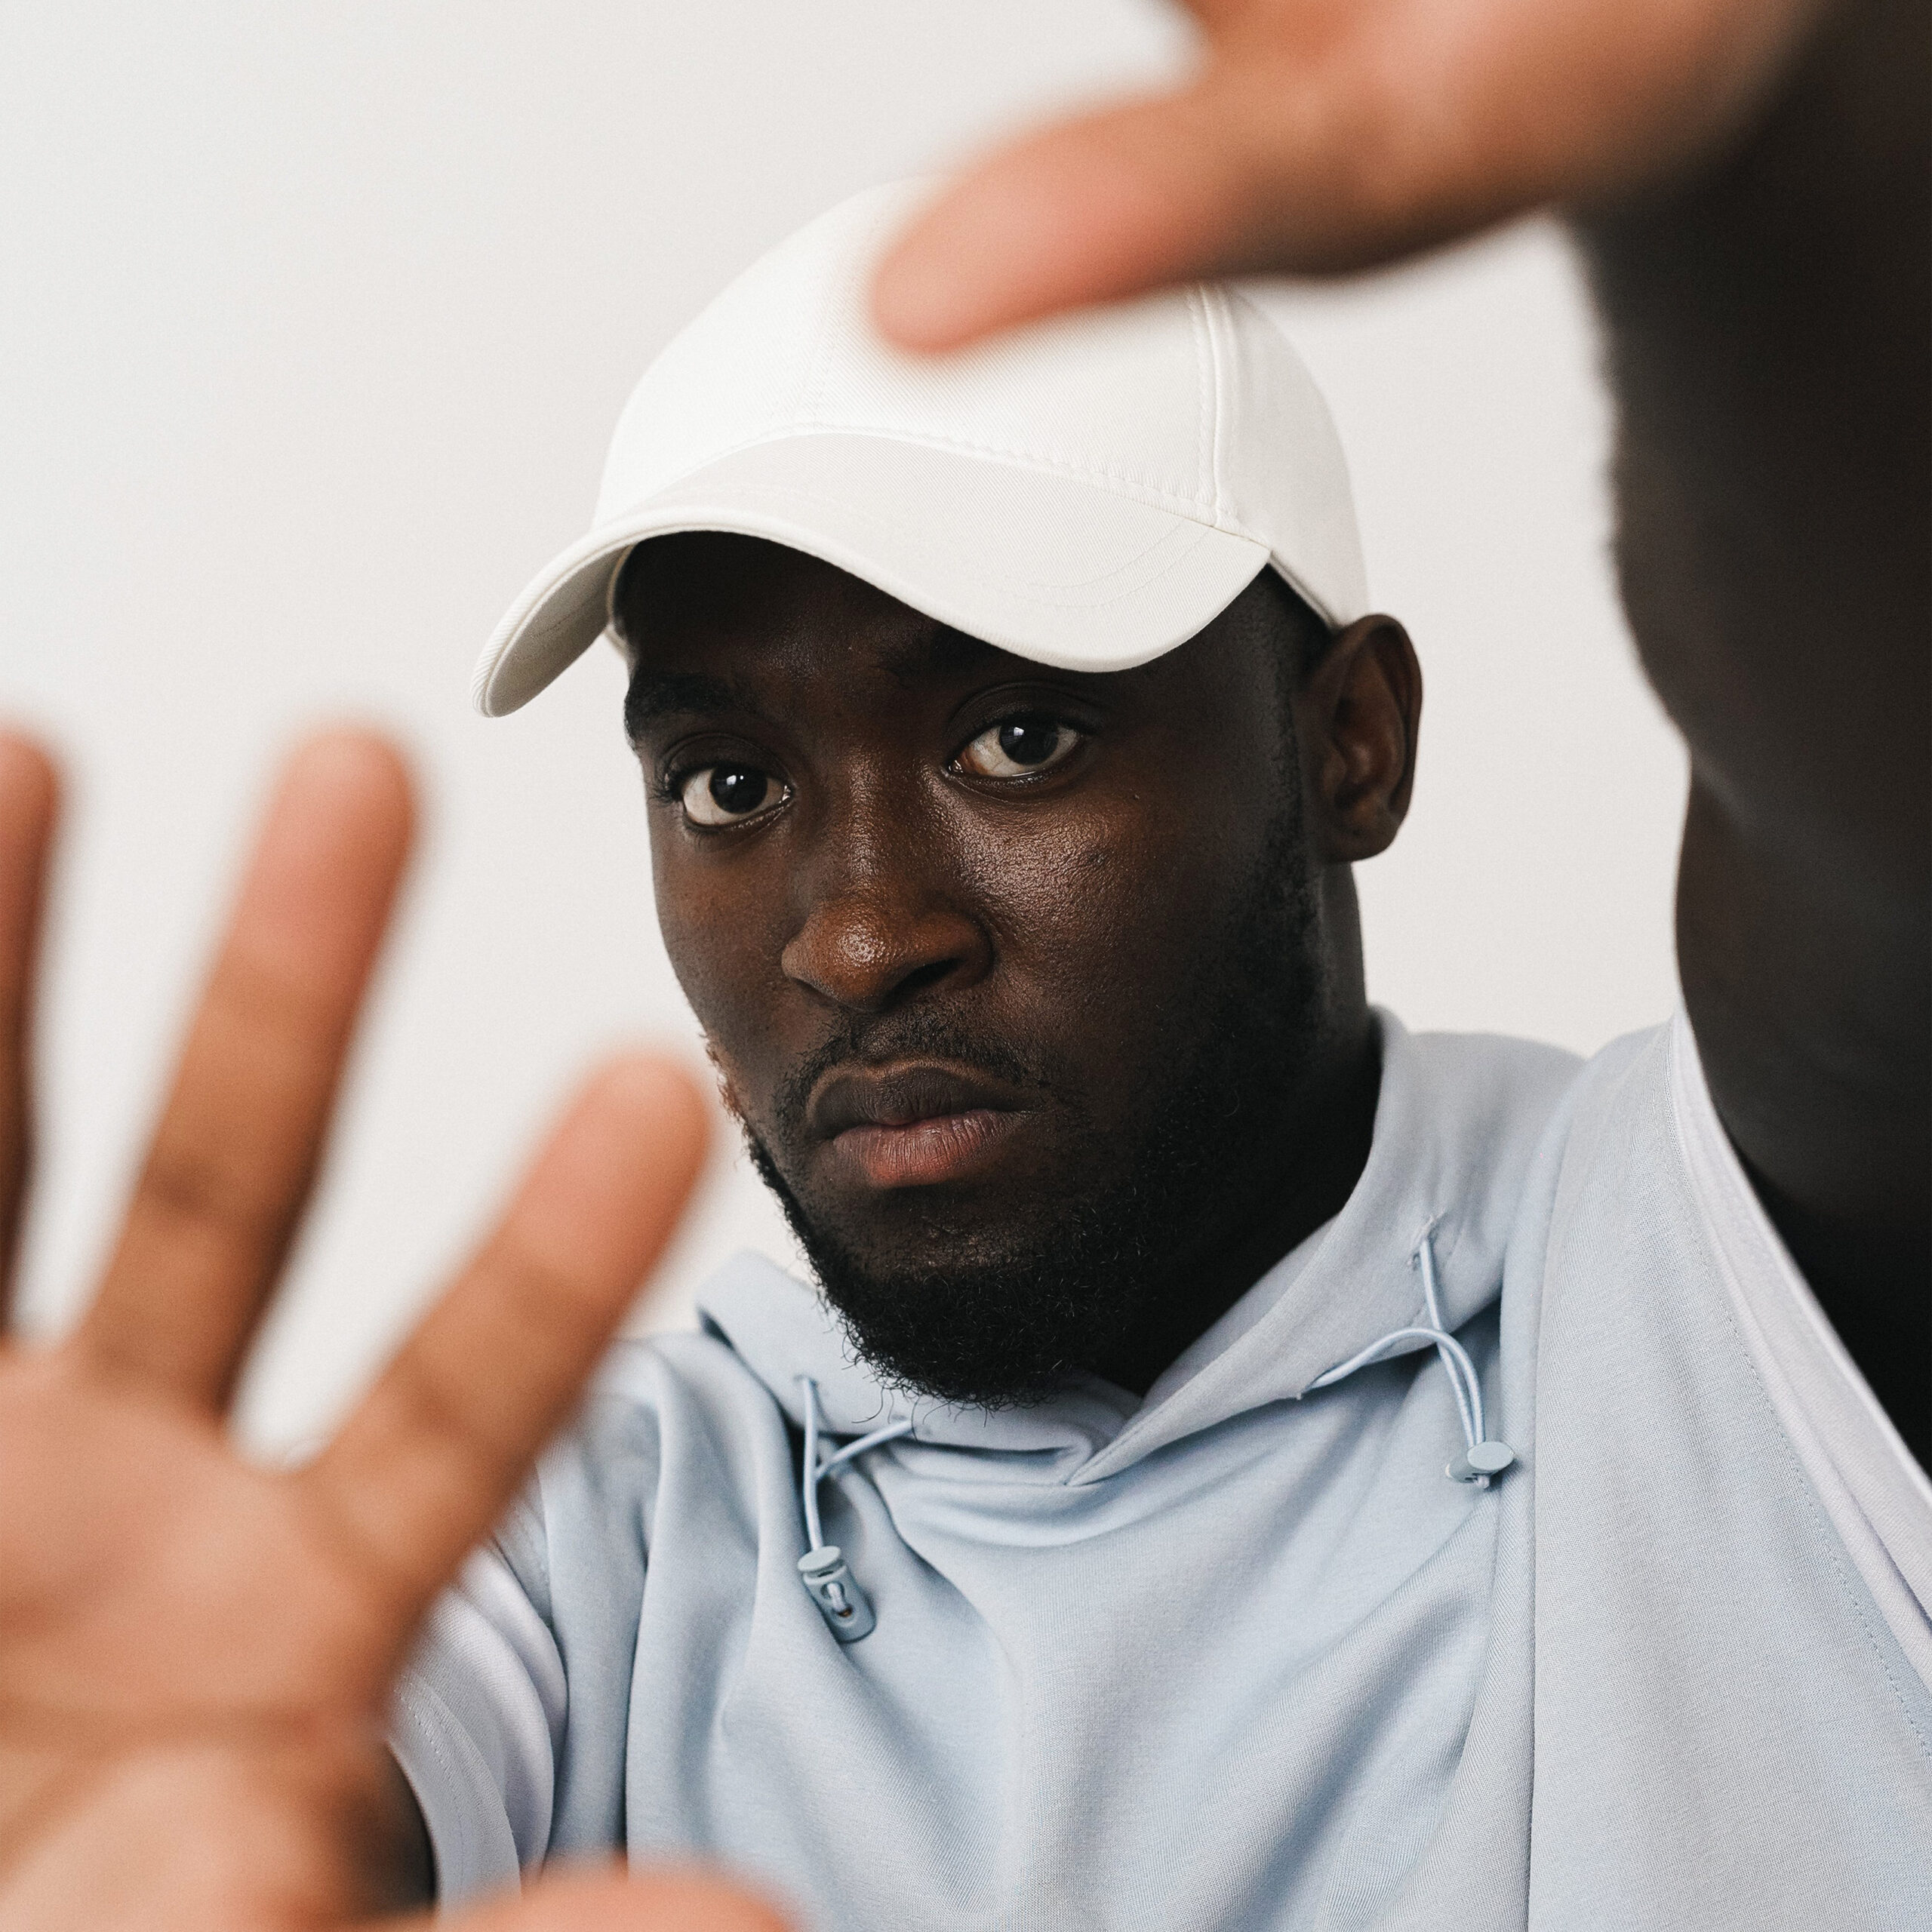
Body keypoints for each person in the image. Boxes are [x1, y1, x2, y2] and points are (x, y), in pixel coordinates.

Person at [0, 2, 1921, 1929]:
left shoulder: (1719, 1270)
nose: (855, 936)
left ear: (1350, 739)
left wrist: (1761, 168)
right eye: (731, 780)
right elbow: (232, 1803)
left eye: (1017, 735)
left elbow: (1867, 804)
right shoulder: (591, 1532)